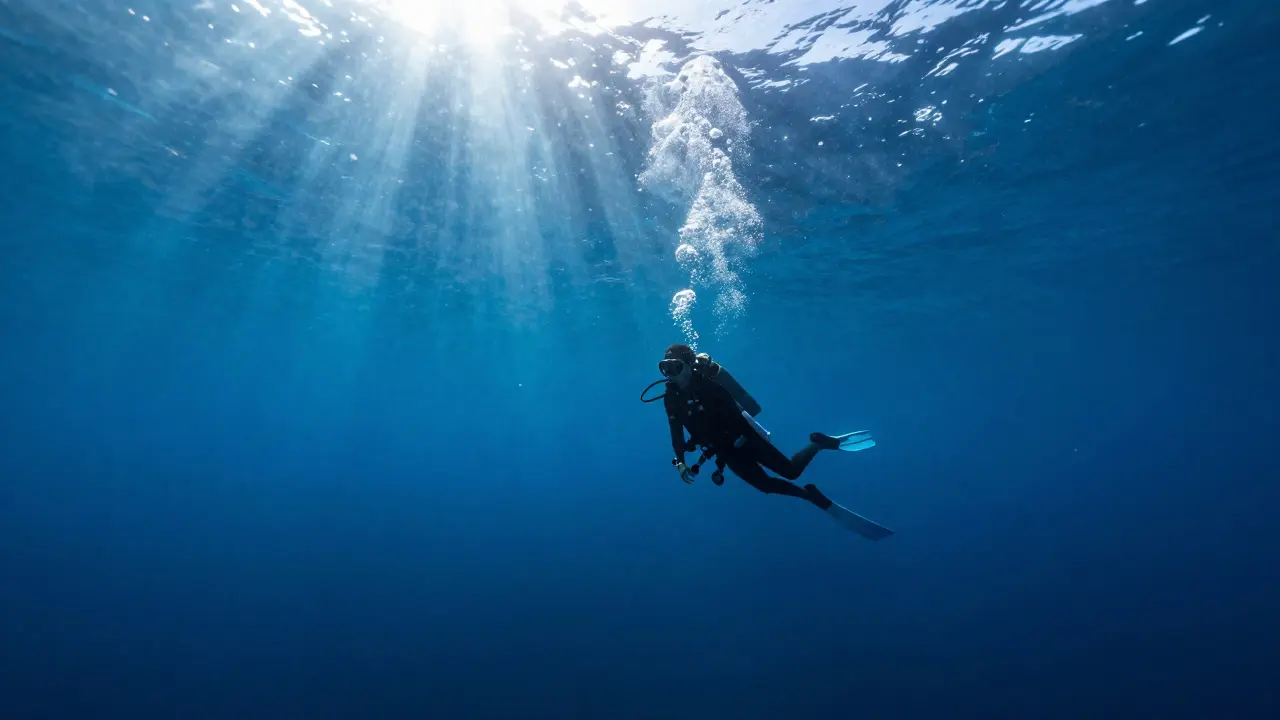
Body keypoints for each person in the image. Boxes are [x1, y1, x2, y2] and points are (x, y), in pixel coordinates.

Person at [644, 343, 893, 540]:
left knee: (791, 471)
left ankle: (819, 443)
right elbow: (675, 430)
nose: (670, 374)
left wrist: (737, 440)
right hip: (725, 451)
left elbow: (737, 416)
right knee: (766, 486)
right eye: (665, 368)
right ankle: (809, 496)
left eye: (675, 367)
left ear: (688, 365)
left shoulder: (711, 387)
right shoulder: (671, 398)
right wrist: (680, 460)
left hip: (745, 440)